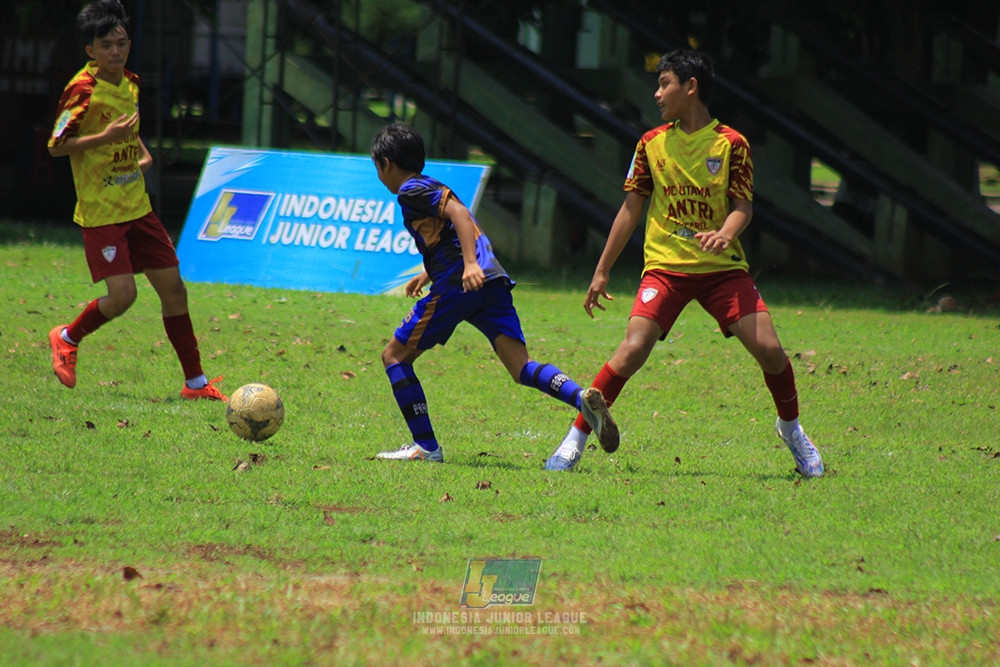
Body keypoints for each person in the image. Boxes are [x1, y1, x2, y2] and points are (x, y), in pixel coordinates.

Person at [544, 49, 824, 477]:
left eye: (664, 84)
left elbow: (742, 207)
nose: (657, 94)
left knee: (770, 350)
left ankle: (792, 430)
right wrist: (601, 271)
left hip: (721, 270)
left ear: (690, 87)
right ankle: (574, 440)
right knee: (633, 347)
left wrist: (726, 232)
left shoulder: (731, 144)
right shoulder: (651, 144)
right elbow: (629, 211)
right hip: (666, 268)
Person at [370, 122, 617, 462]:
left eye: (378, 168)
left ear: (385, 164)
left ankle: (426, 448)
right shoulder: (429, 185)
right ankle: (581, 397)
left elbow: (458, 213)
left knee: (394, 356)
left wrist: (468, 265)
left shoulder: (410, 190)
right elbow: (455, 227)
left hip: (461, 283)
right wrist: (429, 272)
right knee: (521, 367)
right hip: (492, 281)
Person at [46, 0, 226, 401]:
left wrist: (138, 149)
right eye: (106, 45)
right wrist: (105, 140)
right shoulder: (81, 89)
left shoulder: (130, 82)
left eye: (122, 43)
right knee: (124, 296)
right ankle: (67, 336)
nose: (116, 51)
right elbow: (58, 145)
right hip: (101, 212)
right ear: (90, 50)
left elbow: (125, 128)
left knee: (175, 291)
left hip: (137, 207)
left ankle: (195, 384)